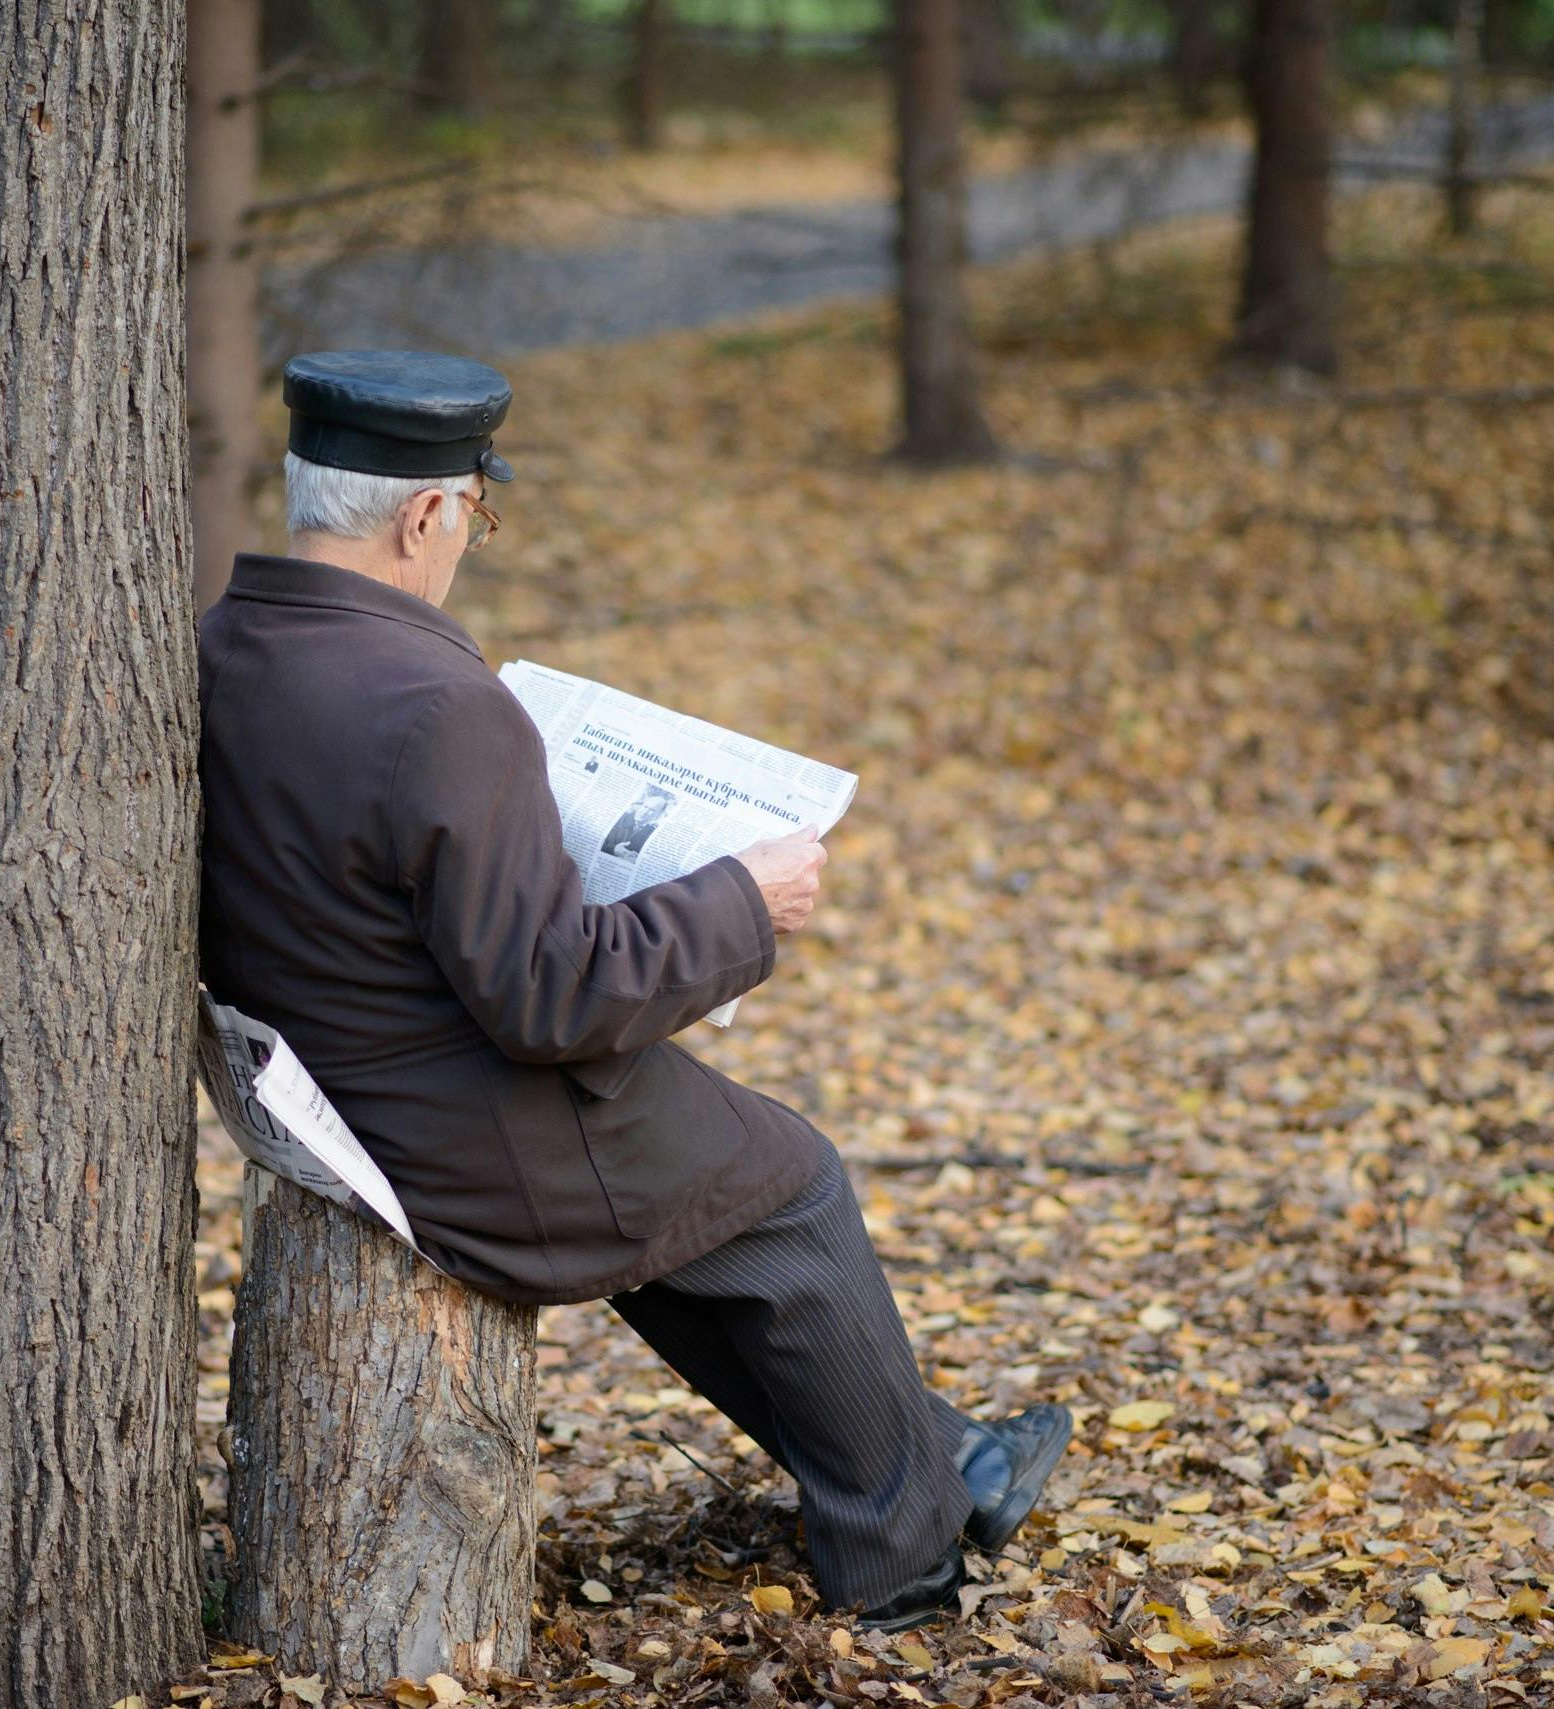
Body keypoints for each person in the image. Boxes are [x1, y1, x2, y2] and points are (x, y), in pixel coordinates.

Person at [197, 350, 1072, 1632]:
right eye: (473, 517)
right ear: (426, 514)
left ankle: (947, 1466)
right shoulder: (437, 703)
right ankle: (906, 1566)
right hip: (454, 1123)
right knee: (791, 1183)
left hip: (340, 1067)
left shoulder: (229, 642)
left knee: (708, 1197)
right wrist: (738, 900)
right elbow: (551, 999)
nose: (468, 544)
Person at [600, 788, 673, 858]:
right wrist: (613, 849)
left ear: (658, 815)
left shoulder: (653, 833)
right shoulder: (619, 817)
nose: (645, 812)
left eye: (651, 810)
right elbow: (594, 840)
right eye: (645, 806)